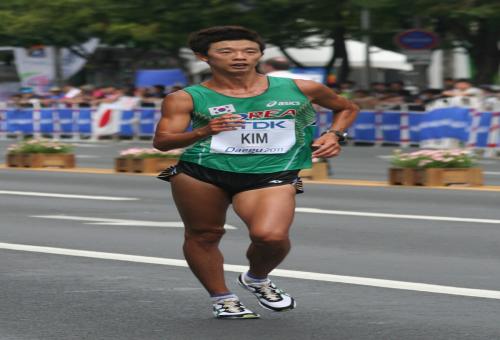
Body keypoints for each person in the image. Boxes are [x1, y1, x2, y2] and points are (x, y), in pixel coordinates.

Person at [153, 26, 359, 320]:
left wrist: (335, 135)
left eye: (249, 51)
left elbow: (347, 107)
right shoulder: (186, 97)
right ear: (203, 57)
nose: (240, 57)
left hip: (271, 173)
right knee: (204, 235)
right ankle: (222, 298)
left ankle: (256, 277)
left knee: (270, 236)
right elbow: (162, 142)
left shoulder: (300, 89)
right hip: (202, 172)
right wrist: (205, 130)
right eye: (226, 51)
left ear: (260, 55)